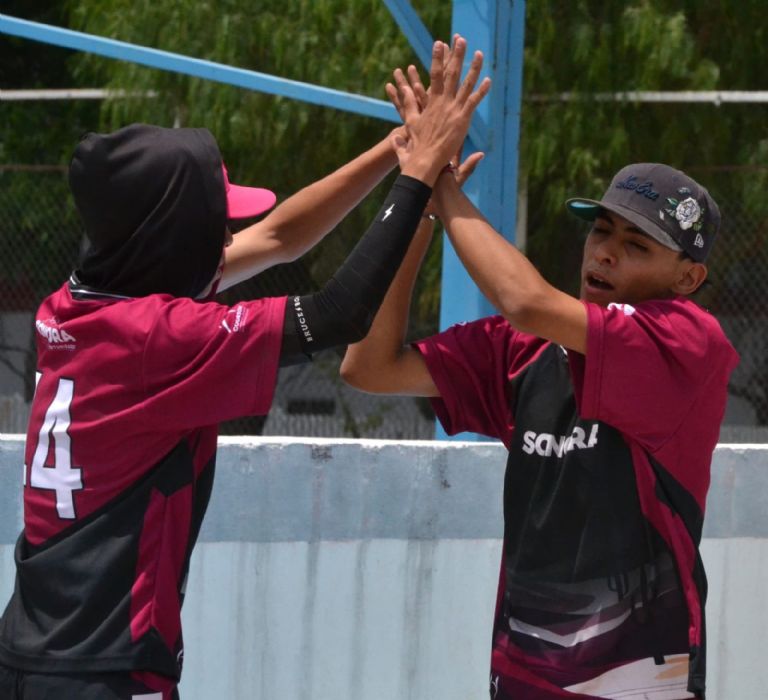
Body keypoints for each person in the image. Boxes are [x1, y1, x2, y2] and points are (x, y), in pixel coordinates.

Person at [0, 37, 490, 700]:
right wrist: (419, 175)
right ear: (170, 242)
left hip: (30, 649)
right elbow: (341, 313)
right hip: (104, 668)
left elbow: (282, 237)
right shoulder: (163, 340)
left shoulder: (80, 305)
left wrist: (400, 146)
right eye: (216, 224)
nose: (230, 238)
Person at [341, 63, 739, 700]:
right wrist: (416, 210)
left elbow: (523, 298)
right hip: (523, 672)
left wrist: (437, 181)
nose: (604, 252)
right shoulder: (522, 351)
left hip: (640, 675)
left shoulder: (688, 342)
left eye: (637, 246)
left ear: (687, 278)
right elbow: (369, 366)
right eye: (600, 231)